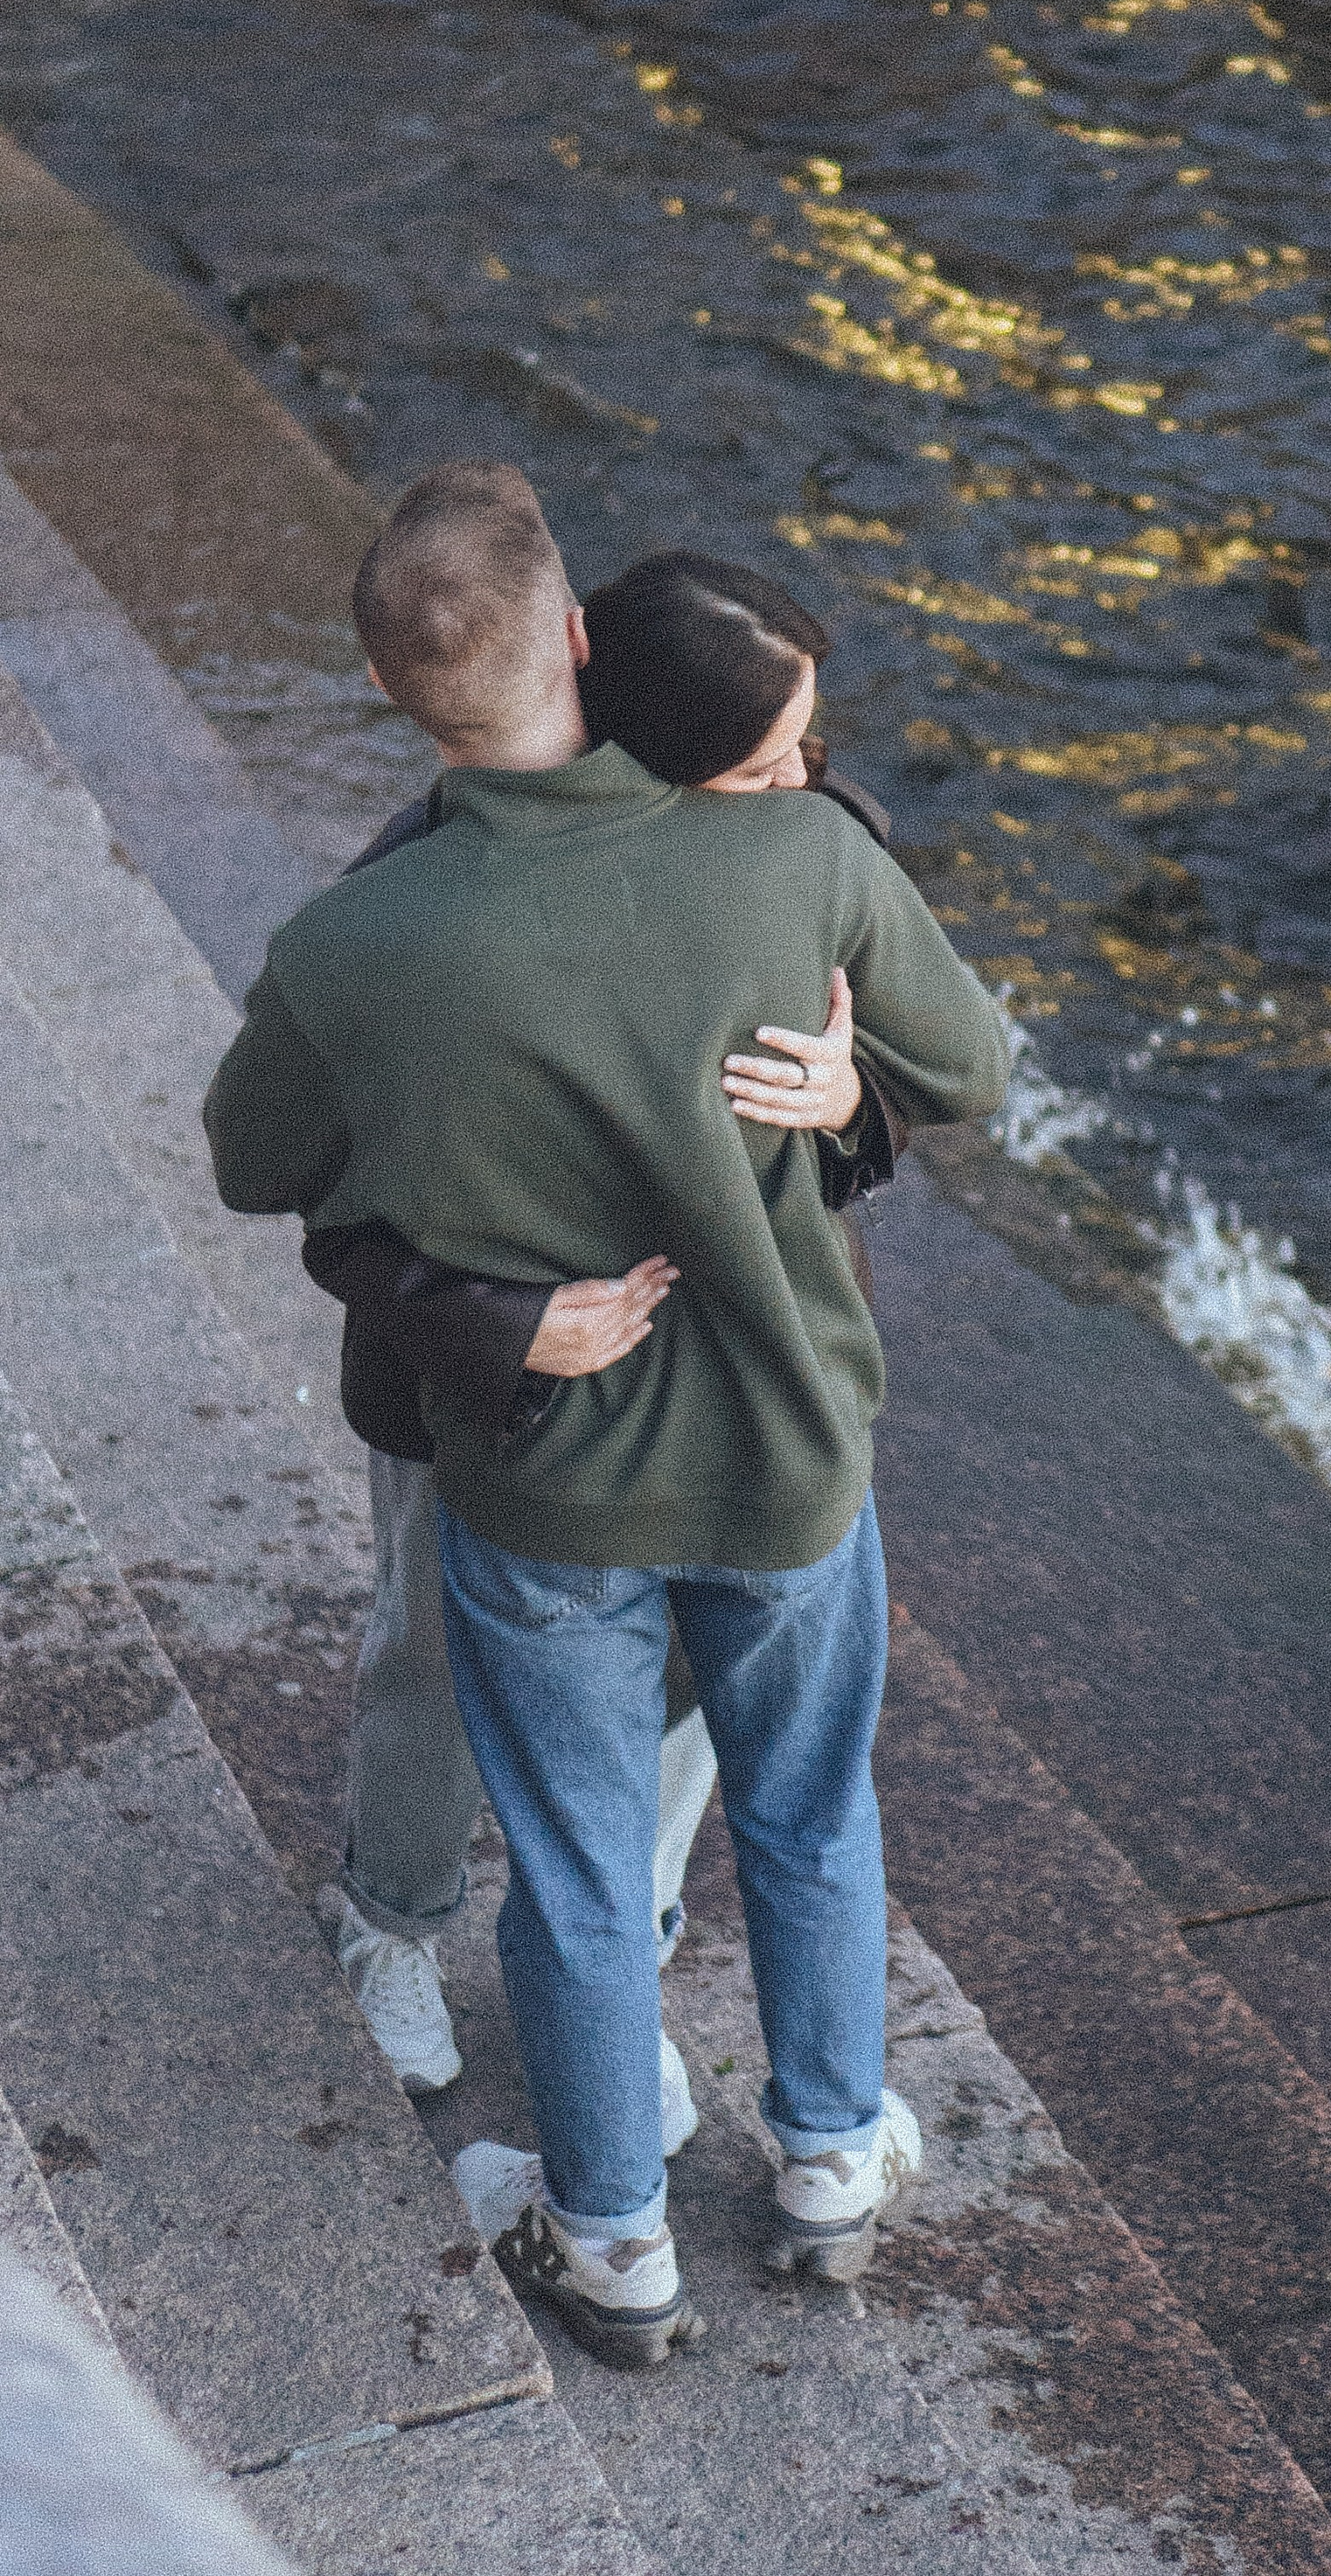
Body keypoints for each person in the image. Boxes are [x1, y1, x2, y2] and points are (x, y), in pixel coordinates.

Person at [205, 466, 1010, 2367]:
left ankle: (610, 2244)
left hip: (546, 1483)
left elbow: (258, 1167)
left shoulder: (354, 946)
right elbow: (968, 1060)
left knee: (568, 1868)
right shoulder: (795, 858)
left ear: (397, 691)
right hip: (787, 1456)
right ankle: (826, 2164)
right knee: (809, 1814)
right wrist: (841, 1095)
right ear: (580, 639)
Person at [309, 559, 899, 2139]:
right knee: (432, 1651)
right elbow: (316, 1161)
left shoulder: (803, 832)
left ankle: (608, 1970)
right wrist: (500, 1322)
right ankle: (391, 1916)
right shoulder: (441, 863)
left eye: (804, 759)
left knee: (700, 1690)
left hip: (732, 1362)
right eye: (766, 763)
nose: (800, 788)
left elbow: (912, 1045)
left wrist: (853, 1104)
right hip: (493, 1387)